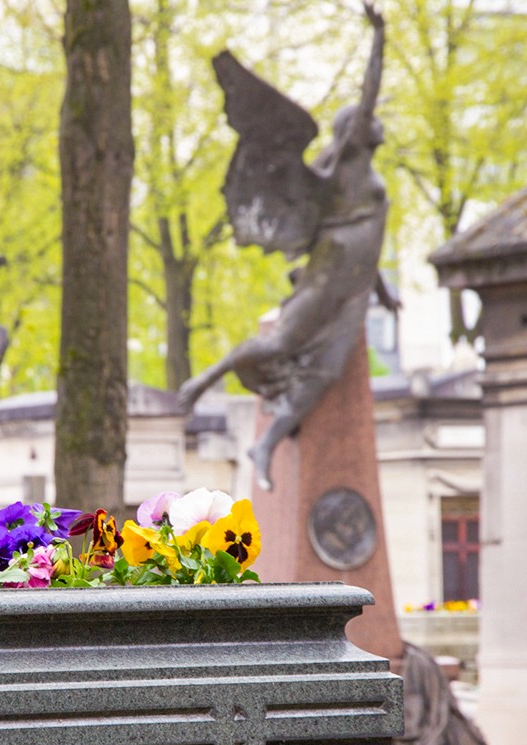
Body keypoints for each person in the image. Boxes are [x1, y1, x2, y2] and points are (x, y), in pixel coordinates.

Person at [178, 2, 392, 491]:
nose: (376, 123)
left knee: (327, 369)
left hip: (355, 282)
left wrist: (383, 292)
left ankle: (267, 442)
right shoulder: (349, 158)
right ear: (353, 130)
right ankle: (201, 380)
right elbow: (370, 91)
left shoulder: (367, 175)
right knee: (281, 342)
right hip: (331, 267)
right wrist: (378, 37)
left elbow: (371, 239)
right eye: (365, 120)